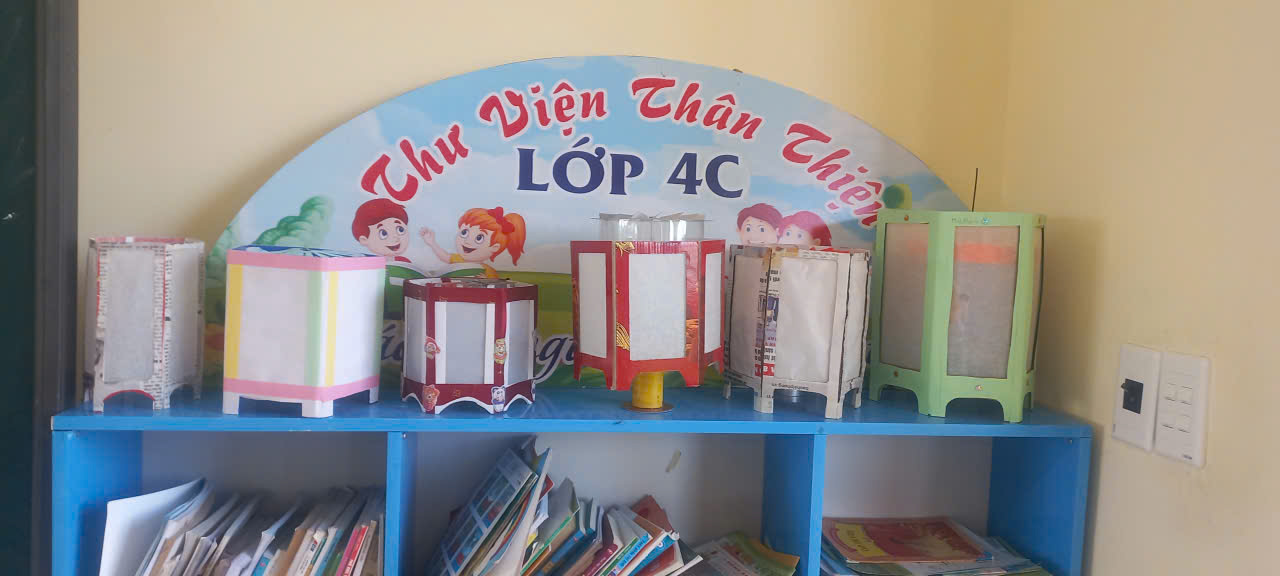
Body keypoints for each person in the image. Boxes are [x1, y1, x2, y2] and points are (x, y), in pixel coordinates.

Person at [421, 206, 527, 278]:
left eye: (479, 238)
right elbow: (444, 256)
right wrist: (432, 243)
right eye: (464, 232)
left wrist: (487, 281)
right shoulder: (458, 259)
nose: (467, 241)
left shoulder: (487, 270)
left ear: (494, 247)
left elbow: (495, 287)